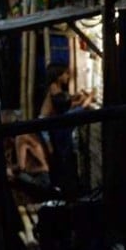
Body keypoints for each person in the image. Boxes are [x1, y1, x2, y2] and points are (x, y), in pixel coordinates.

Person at [39, 62, 94, 196]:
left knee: (62, 156)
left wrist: (77, 98)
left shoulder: (55, 89)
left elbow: (65, 103)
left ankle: (66, 187)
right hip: (49, 128)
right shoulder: (54, 90)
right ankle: (65, 189)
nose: (68, 76)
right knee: (61, 157)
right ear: (58, 76)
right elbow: (65, 106)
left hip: (52, 126)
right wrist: (88, 99)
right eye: (66, 74)